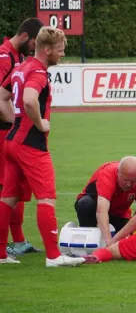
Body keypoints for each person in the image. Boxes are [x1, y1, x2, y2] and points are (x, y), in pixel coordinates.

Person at [0, 26, 85, 266]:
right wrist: (40, 123)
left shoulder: (20, 67)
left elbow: (1, 96)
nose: (63, 54)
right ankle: (54, 256)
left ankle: (0, 254)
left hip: (12, 141)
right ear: (47, 50)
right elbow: (28, 100)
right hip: (30, 145)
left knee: (7, 198)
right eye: (60, 50)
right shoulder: (38, 71)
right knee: (46, 197)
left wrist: (15, 120)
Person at [0, 18, 43, 256]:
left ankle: (18, 241)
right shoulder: (5, 57)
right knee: (8, 189)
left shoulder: (15, 57)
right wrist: (16, 123)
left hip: (10, 133)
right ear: (26, 36)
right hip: (5, 133)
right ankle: (9, 242)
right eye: (35, 43)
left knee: (15, 188)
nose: (34, 48)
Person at [75, 156, 136, 245]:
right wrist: (108, 241)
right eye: (125, 180)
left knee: (127, 242)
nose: (128, 184)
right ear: (118, 172)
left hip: (119, 214)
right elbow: (101, 210)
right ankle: (88, 236)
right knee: (85, 204)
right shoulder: (108, 173)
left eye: (133, 181)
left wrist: (133, 228)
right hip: (95, 208)